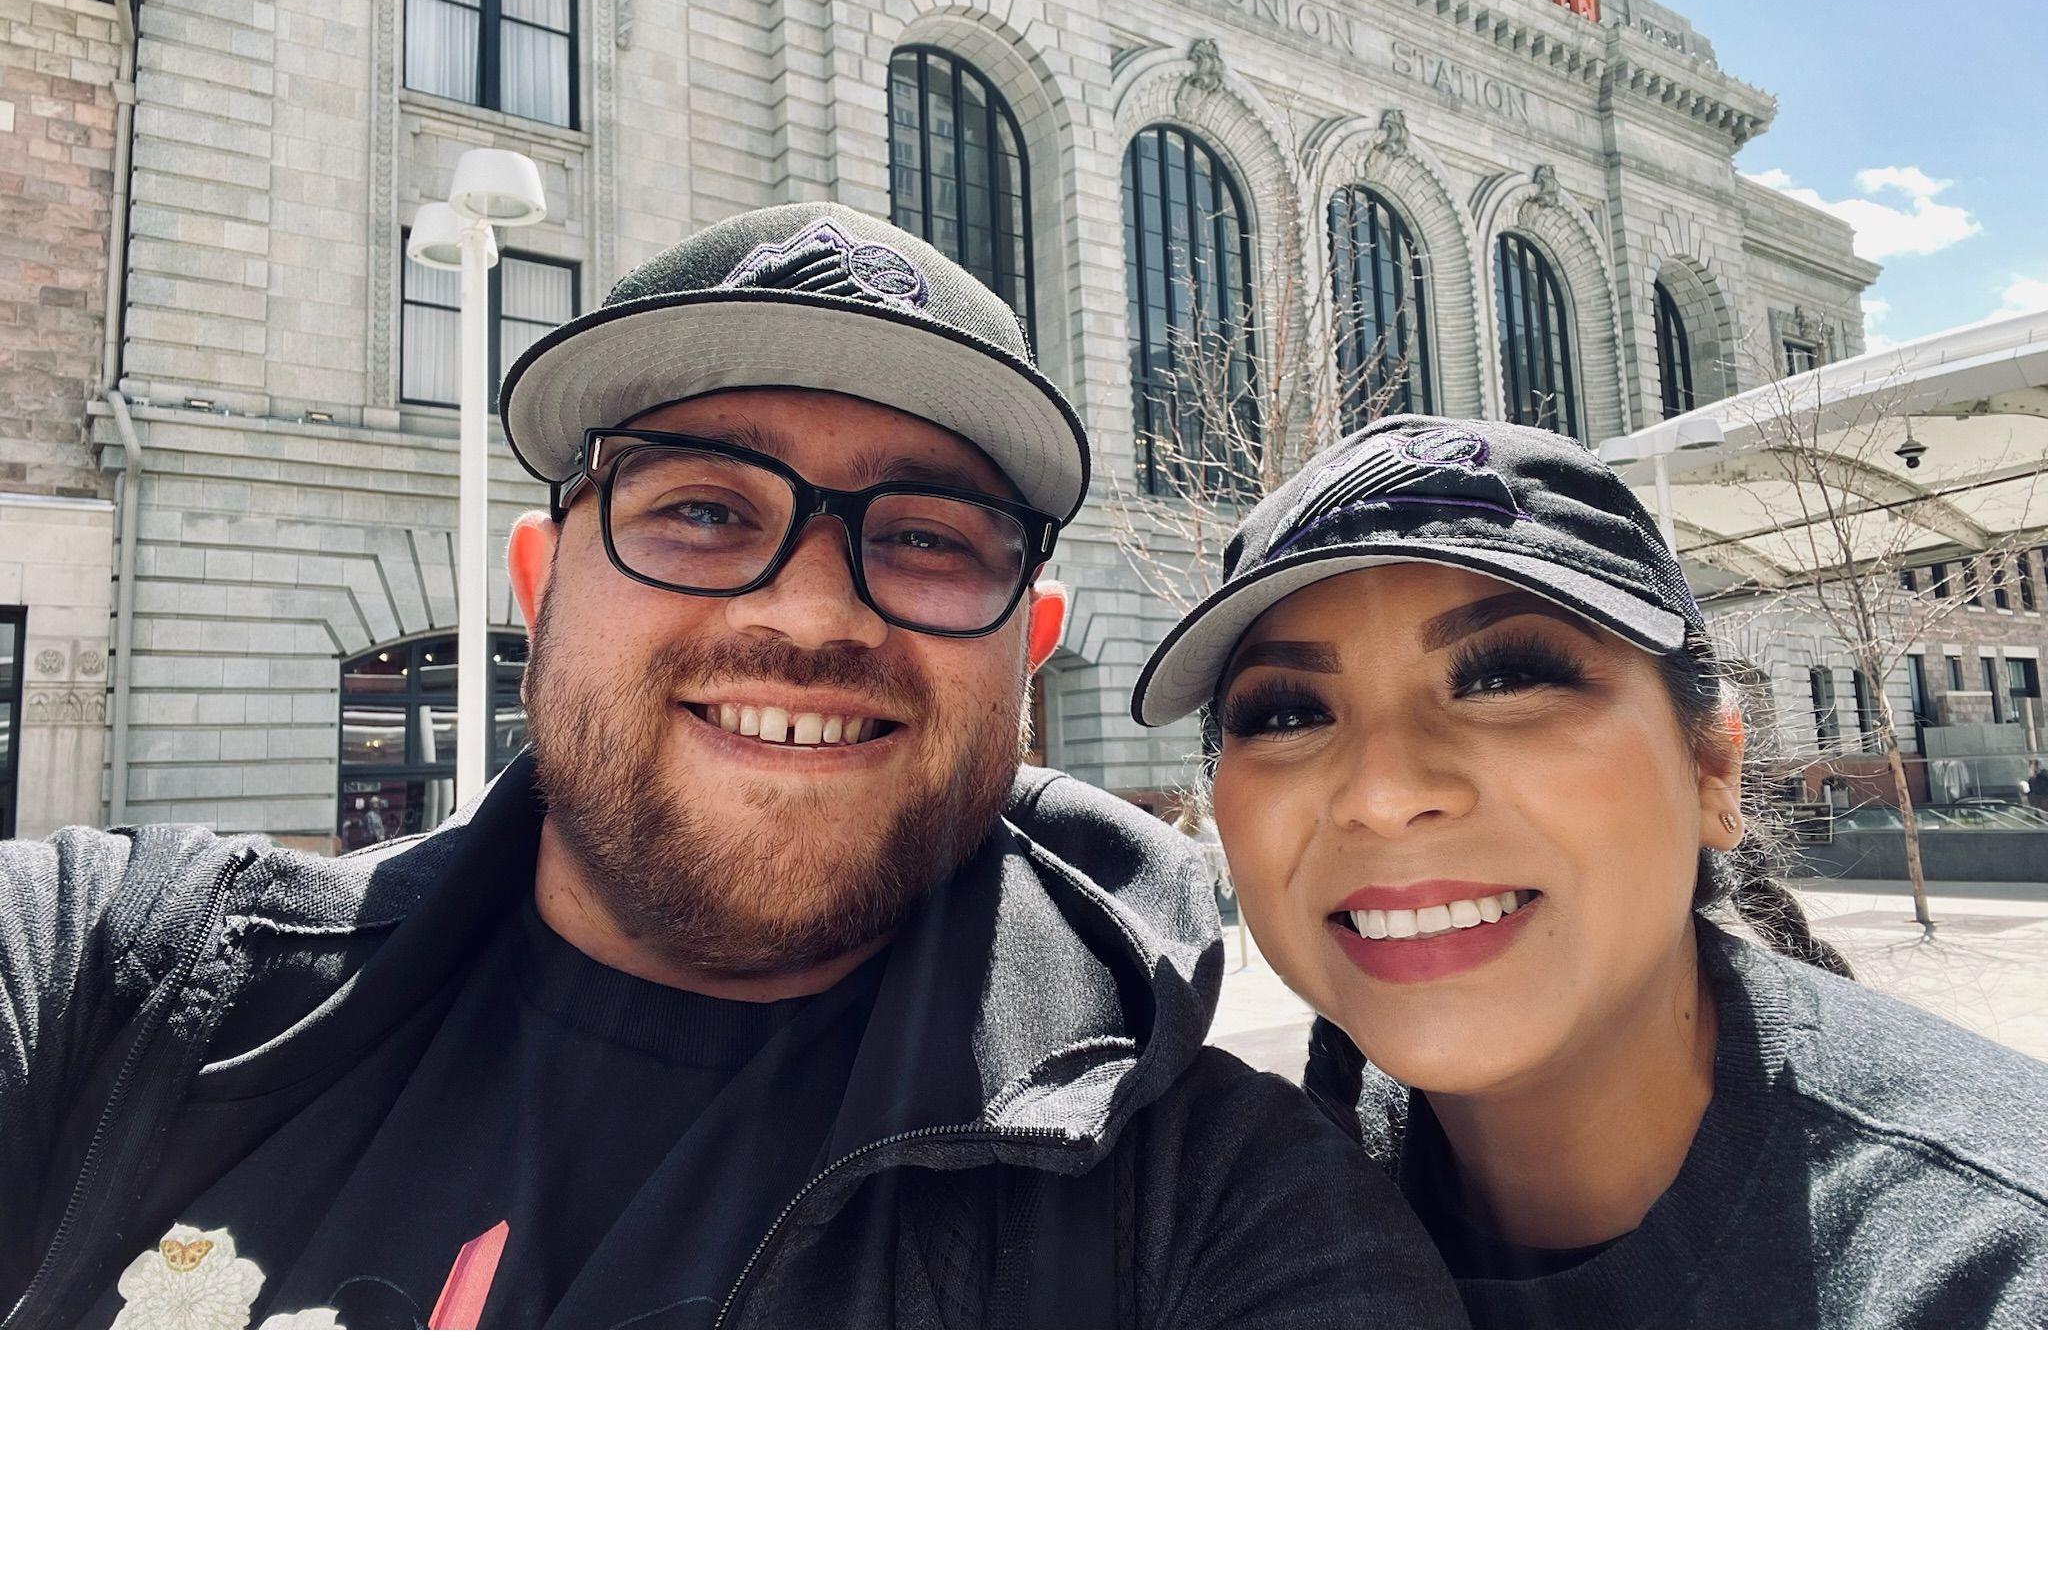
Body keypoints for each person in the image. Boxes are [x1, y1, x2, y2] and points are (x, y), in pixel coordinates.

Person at [0, 204, 1461, 1330]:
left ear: (1033, 649)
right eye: (700, 507)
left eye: (930, 536)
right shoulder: (123, 986)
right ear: (538, 583)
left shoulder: (1211, 1215)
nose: (811, 610)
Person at [1132, 414, 2048, 1328]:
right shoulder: (1218, 1213)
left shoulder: (1993, 1259)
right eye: (1288, 714)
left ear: (1712, 768)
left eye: (1505, 679)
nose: (1383, 791)